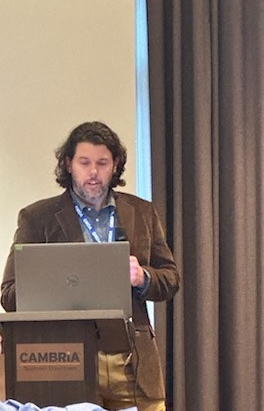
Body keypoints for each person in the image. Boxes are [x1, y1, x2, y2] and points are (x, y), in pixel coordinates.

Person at [1, 121, 180, 411]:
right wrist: (52, 286)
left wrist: (142, 277)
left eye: (102, 163)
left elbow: (171, 279)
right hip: (67, 361)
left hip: (133, 363)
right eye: (84, 162)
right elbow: (9, 295)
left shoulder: (142, 212)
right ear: (69, 164)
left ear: (116, 165)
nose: (93, 172)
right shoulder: (37, 218)